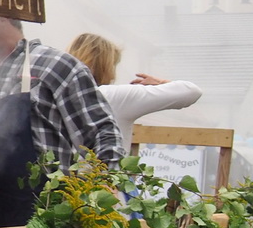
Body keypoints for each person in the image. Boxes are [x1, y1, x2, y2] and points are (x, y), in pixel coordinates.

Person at [0, 14, 125, 227]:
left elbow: (102, 132)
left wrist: (103, 188)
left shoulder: (56, 65)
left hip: (42, 215)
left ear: (0, 18)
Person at [65, 32, 202, 145]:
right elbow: (191, 91)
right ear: (105, 66)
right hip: (104, 176)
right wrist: (162, 83)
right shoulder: (115, 96)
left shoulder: (56, 95)